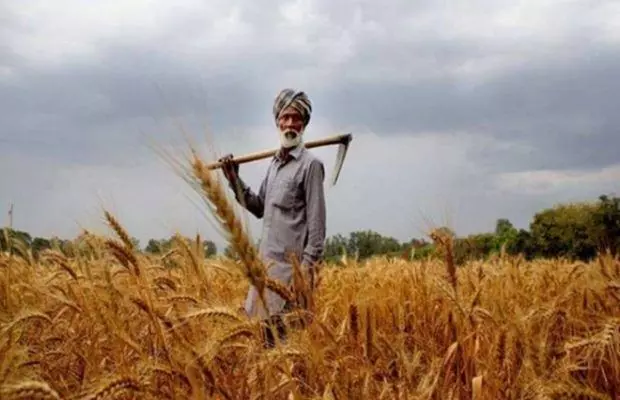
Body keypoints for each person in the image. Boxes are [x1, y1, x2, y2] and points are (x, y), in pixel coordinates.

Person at [219, 88, 327, 348]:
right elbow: (259, 207)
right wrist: (233, 179)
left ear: (304, 123)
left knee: (283, 352)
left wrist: (302, 281)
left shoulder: (310, 166)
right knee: (259, 349)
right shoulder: (275, 165)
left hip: (289, 280)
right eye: (285, 117)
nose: (290, 123)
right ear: (277, 121)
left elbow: (317, 232)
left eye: (296, 118)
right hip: (263, 275)